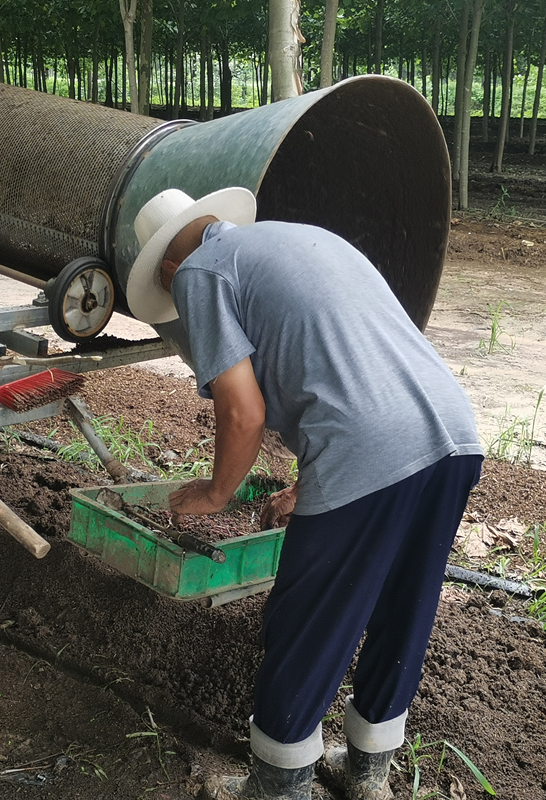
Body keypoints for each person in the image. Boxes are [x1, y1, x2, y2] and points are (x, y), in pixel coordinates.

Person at [126, 188, 483, 800]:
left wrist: (214, 493)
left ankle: (280, 785)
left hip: (366, 452)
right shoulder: (302, 240)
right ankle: (369, 774)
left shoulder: (199, 274)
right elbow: (346, 363)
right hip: (453, 435)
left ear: (166, 269)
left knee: (309, 616)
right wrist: (304, 483)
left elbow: (243, 413)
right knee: (405, 605)